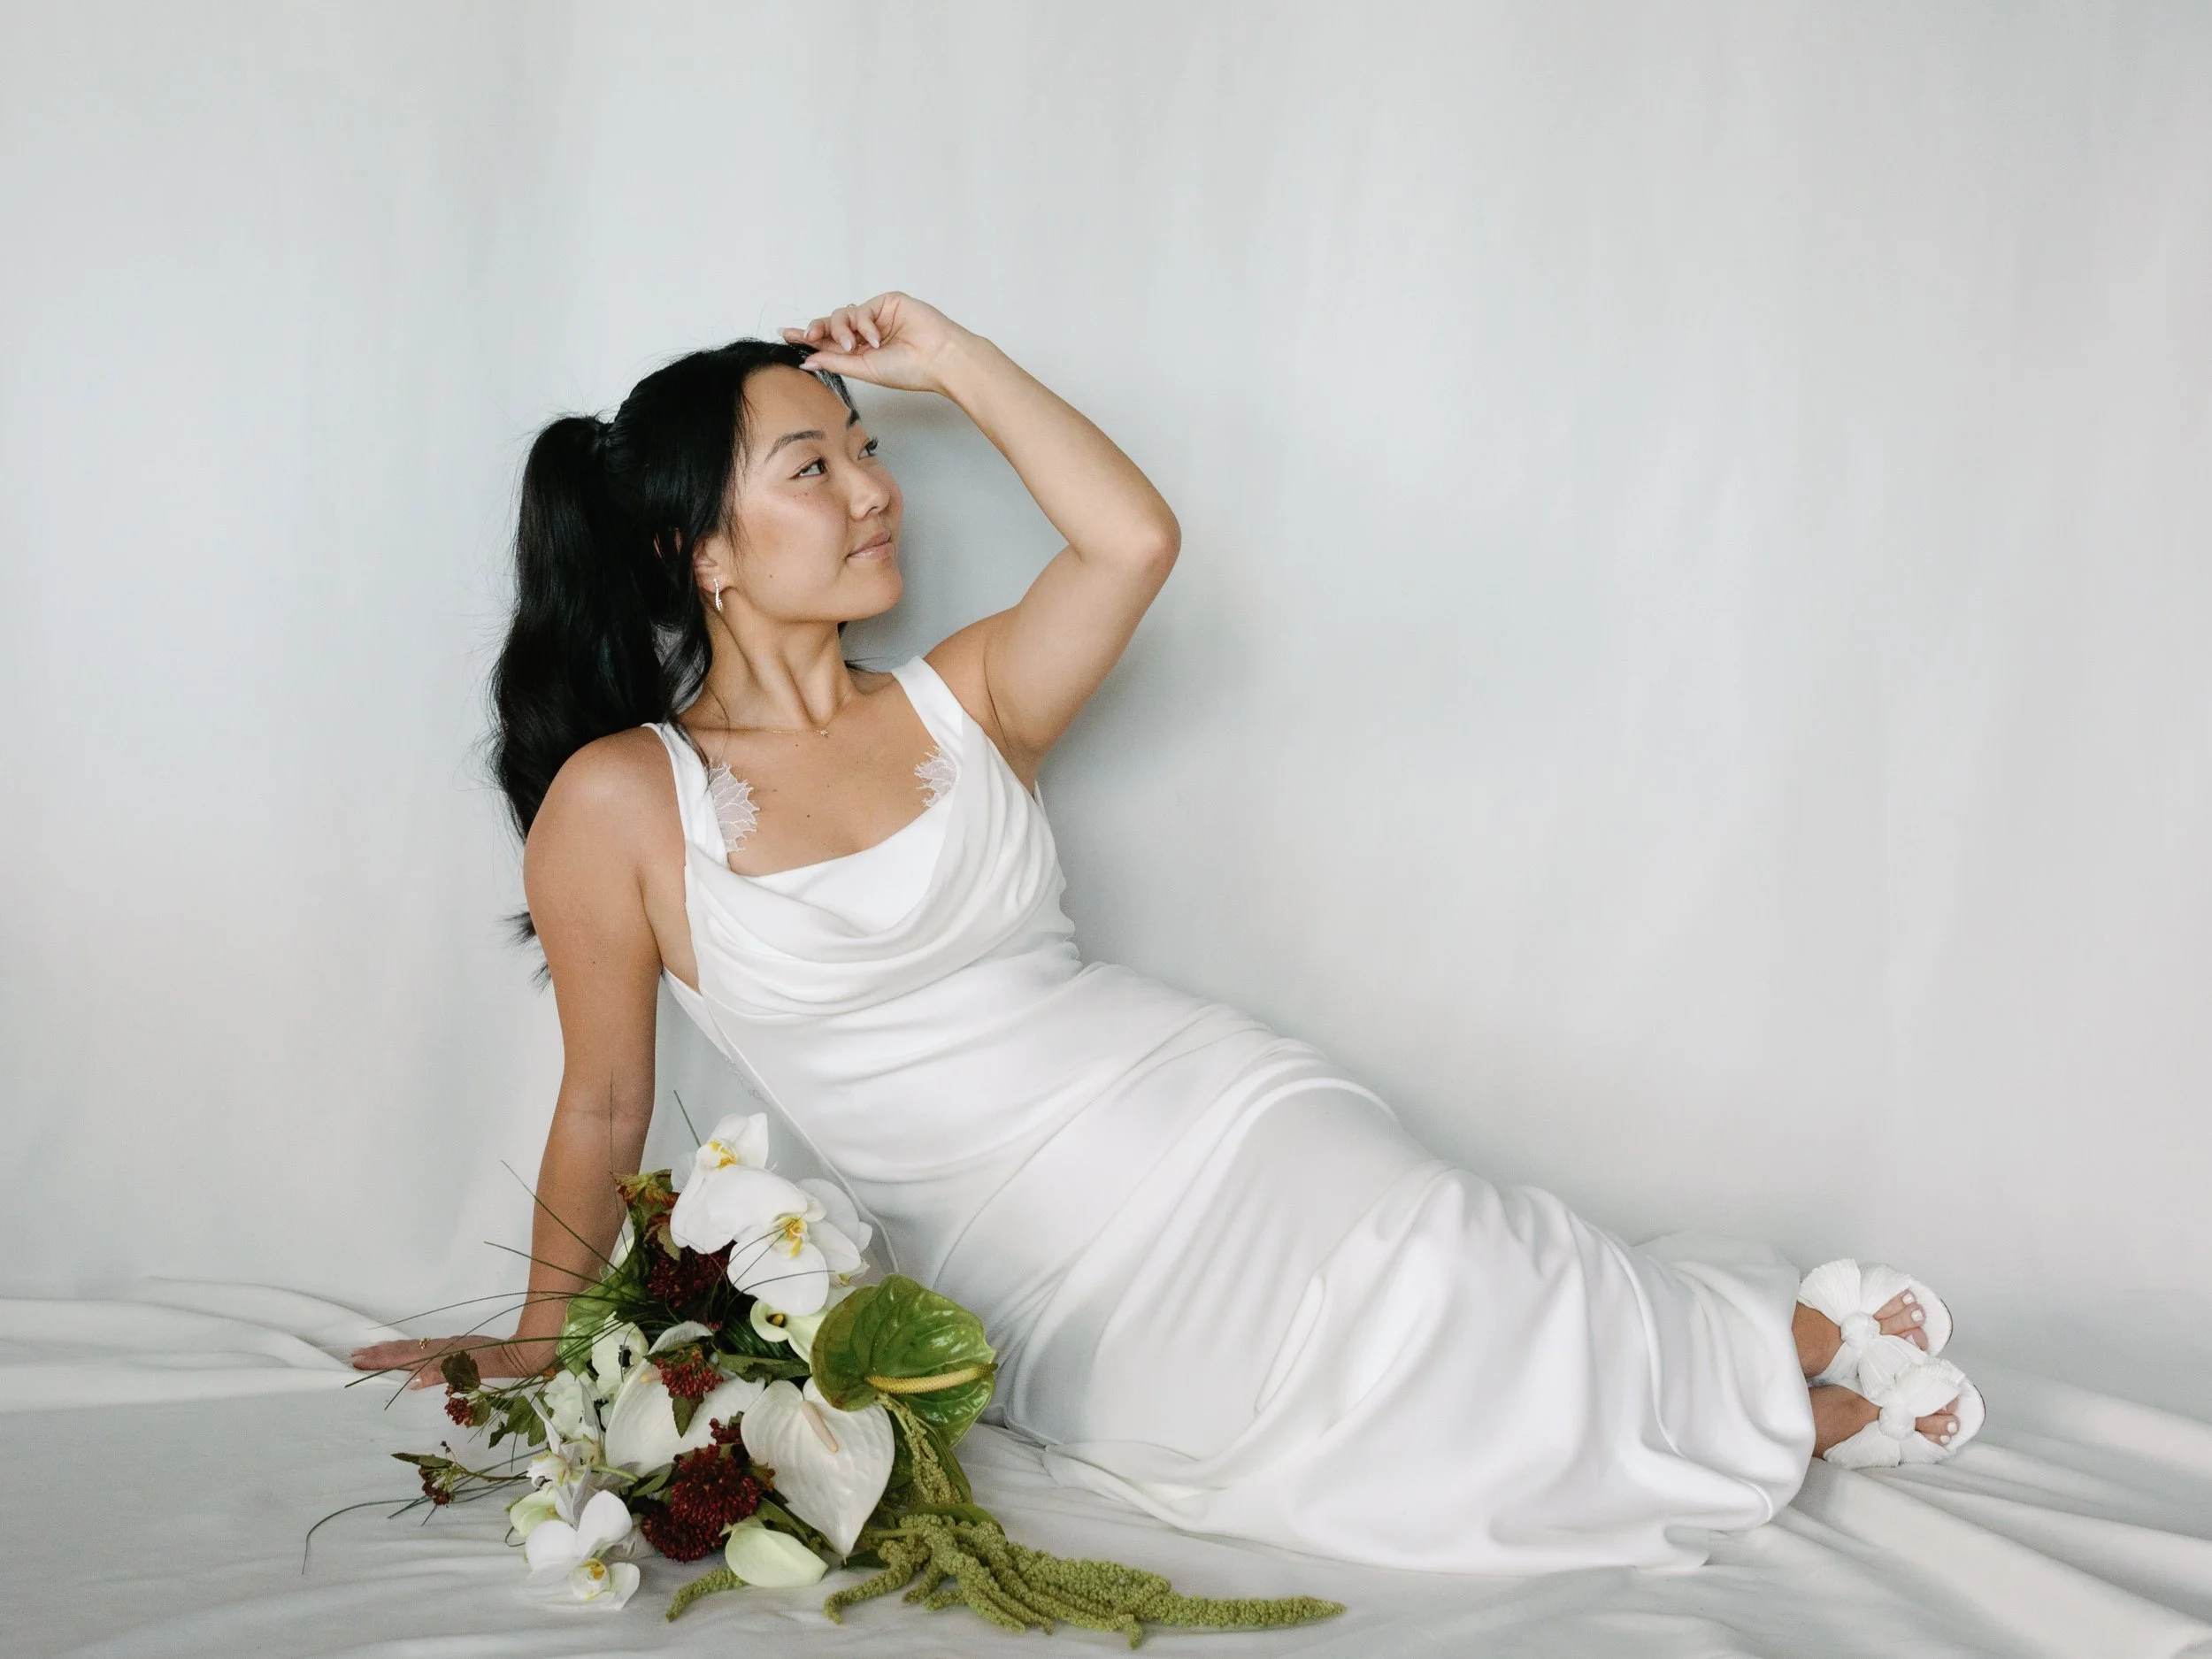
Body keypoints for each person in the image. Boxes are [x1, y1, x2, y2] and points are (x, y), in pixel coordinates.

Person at [353, 292, 1976, 1573]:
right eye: (813, 467)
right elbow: (604, 1104)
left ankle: (1770, 1359)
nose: (874, 489)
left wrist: (950, 355)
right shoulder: (623, 801)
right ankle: (1778, 1388)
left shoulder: (967, 696)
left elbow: (1133, 540)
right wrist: (542, 1345)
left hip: (1206, 1108)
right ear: (699, 550)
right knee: (1337, 1418)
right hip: (1032, 1260)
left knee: (1439, 1249)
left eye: (867, 446)